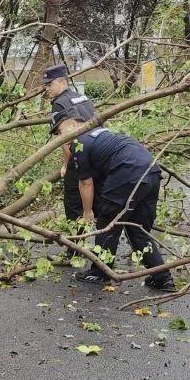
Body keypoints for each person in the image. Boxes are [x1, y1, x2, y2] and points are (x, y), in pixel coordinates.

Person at [54, 113, 177, 292]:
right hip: (151, 172)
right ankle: (163, 278)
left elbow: (85, 182)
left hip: (127, 172)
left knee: (108, 220)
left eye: (59, 131)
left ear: (72, 124)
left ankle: (100, 272)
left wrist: (88, 212)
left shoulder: (79, 142)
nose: (59, 137)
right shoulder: (103, 134)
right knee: (137, 228)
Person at [40, 64, 96, 221]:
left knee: (73, 207)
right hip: (94, 153)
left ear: (63, 82)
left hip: (78, 158)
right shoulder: (81, 97)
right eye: (45, 85)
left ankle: (75, 243)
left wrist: (66, 165)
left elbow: (65, 138)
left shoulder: (59, 103)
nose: (46, 89)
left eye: (50, 84)